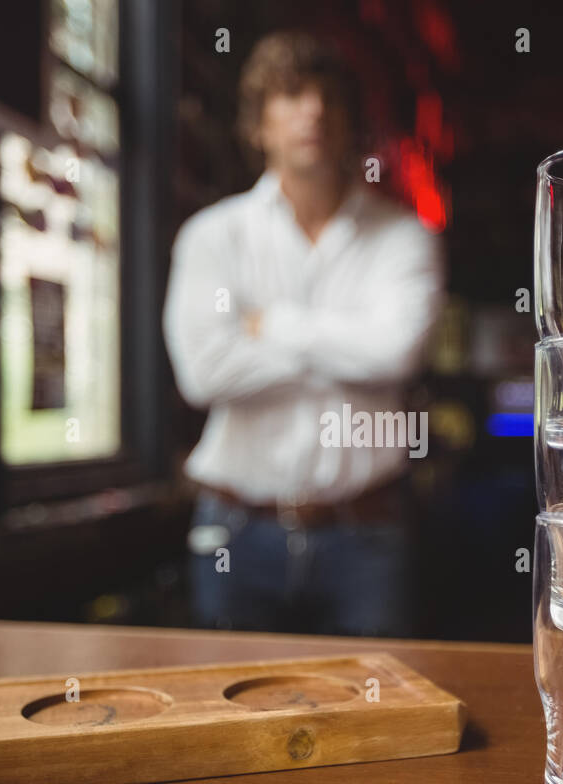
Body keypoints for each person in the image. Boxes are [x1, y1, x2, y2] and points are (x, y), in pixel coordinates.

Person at [162, 31, 446, 637]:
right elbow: (204, 373)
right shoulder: (211, 237)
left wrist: (271, 326)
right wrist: (348, 348)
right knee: (231, 722)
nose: (312, 110)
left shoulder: (405, 237)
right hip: (234, 532)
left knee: (377, 722)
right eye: (291, 95)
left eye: (327, 98)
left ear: (349, 124)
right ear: (257, 124)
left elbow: (395, 354)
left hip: (369, 535)